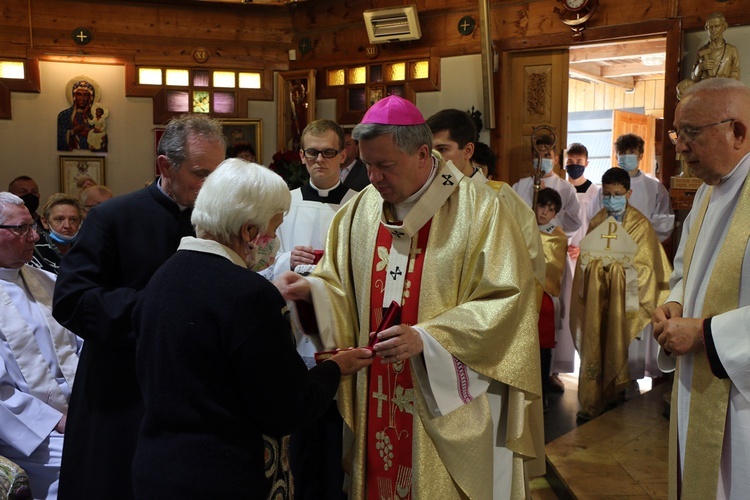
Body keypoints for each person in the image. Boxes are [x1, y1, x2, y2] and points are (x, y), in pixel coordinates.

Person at [276, 95, 542, 499]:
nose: (374, 178)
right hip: (377, 391)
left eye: (385, 166)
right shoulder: (360, 211)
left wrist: (429, 338)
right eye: (366, 165)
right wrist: (311, 294)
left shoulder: (481, 211)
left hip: (447, 398)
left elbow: (508, 300)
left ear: (423, 154)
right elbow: (338, 285)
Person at [132, 160, 373, 498]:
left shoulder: (163, 277)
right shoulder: (248, 294)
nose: (274, 241)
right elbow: (286, 407)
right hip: (225, 475)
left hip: (158, 467)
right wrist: (334, 368)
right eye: (273, 230)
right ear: (248, 231)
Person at [51, 114, 226, 500]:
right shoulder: (112, 217)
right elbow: (72, 300)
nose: (211, 186)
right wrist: (159, 309)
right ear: (165, 166)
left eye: (218, 174)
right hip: (123, 392)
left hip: (193, 393)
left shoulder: (215, 221)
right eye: (200, 174)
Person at [652, 78, 750, 498]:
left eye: (692, 132)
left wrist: (707, 334)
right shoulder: (707, 195)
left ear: (738, 131)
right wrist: (673, 304)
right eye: (678, 133)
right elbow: (685, 271)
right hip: (699, 383)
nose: (681, 147)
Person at [270, 119, 357, 499]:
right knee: (303, 437)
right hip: (295, 335)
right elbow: (260, 262)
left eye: (327, 152)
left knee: (340, 437)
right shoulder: (284, 203)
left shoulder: (362, 204)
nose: (319, 160)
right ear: (301, 156)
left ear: (343, 155)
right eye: (311, 152)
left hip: (344, 330)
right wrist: (288, 259)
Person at [0, 192, 82, 500]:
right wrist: (55, 420)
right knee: (81, 464)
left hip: (77, 412)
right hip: (29, 431)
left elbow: (82, 347)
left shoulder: (47, 280)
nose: (34, 236)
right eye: (21, 228)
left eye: (32, 226)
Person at [571, 168, 671, 419]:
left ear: (629, 193)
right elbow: (586, 259)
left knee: (617, 344)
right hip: (597, 298)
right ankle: (594, 398)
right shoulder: (597, 221)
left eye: (617, 194)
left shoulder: (640, 224)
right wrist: (595, 268)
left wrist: (617, 269)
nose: (611, 199)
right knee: (595, 341)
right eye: (607, 194)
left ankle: (617, 393)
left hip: (622, 300)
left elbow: (648, 267)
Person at [426, 108, 546, 286]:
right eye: (429, 150)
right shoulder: (427, 198)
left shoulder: (499, 195)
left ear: (467, 151)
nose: (434, 158)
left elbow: (529, 259)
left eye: (442, 149)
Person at [552, 143, 602, 392]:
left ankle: (584, 364)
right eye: (570, 160)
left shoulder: (595, 193)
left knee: (577, 312)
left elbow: (599, 225)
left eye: (579, 161)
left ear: (586, 163)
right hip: (558, 256)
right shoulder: (559, 189)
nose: (574, 164)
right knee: (558, 312)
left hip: (582, 258)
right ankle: (554, 368)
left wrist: (584, 247)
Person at [534, 187, 568, 412]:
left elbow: (555, 267)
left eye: (550, 209)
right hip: (524, 295)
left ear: (556, 213)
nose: (544, 212)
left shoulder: (558, 236)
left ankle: (543, 393)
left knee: (543, 347)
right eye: (541, 206)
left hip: (545, 296)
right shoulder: (524, 229)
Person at [512, 135, 582, 237]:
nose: (541, 159)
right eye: (537, 155)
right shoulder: (519, 186)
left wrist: (552, 205)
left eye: (547, 155)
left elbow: (575, 223)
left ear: (556, 159)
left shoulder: (566, 188)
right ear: (532, 158)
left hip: (553, 244)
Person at [614, 133, 674, 242]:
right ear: (616, 156)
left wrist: (639, 235)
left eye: (631, 152)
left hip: (644, 245)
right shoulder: (606, 188)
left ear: (640, 156)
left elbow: (664, 222)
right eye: (622, 153)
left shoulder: (655, 188)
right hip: (613, 247)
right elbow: (596, 219)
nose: (627, 156)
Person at [30, 194, 83, 275]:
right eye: (59, 219)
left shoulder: (86, 250)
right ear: (45, 222)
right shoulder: (31, 252)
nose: (67, 226)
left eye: (73, 220)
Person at [691, 12, 740, 82]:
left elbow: (735, 73)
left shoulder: (732, 50)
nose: (713, 30)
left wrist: (725, 86)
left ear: (724, 27)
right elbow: (694, 77)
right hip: (704, 89)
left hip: (724, 89)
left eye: (717, 26)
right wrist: (700, 67)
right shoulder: (701, 51)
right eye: (710, 27)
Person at [57, 79, 95, 151]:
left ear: (90, 97)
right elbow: (60, 139)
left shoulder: (94, 117)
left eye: (86, 95)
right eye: (79, 94)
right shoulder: (64, 115)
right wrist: (72, 132)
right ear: (74, 96)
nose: (82, 99)